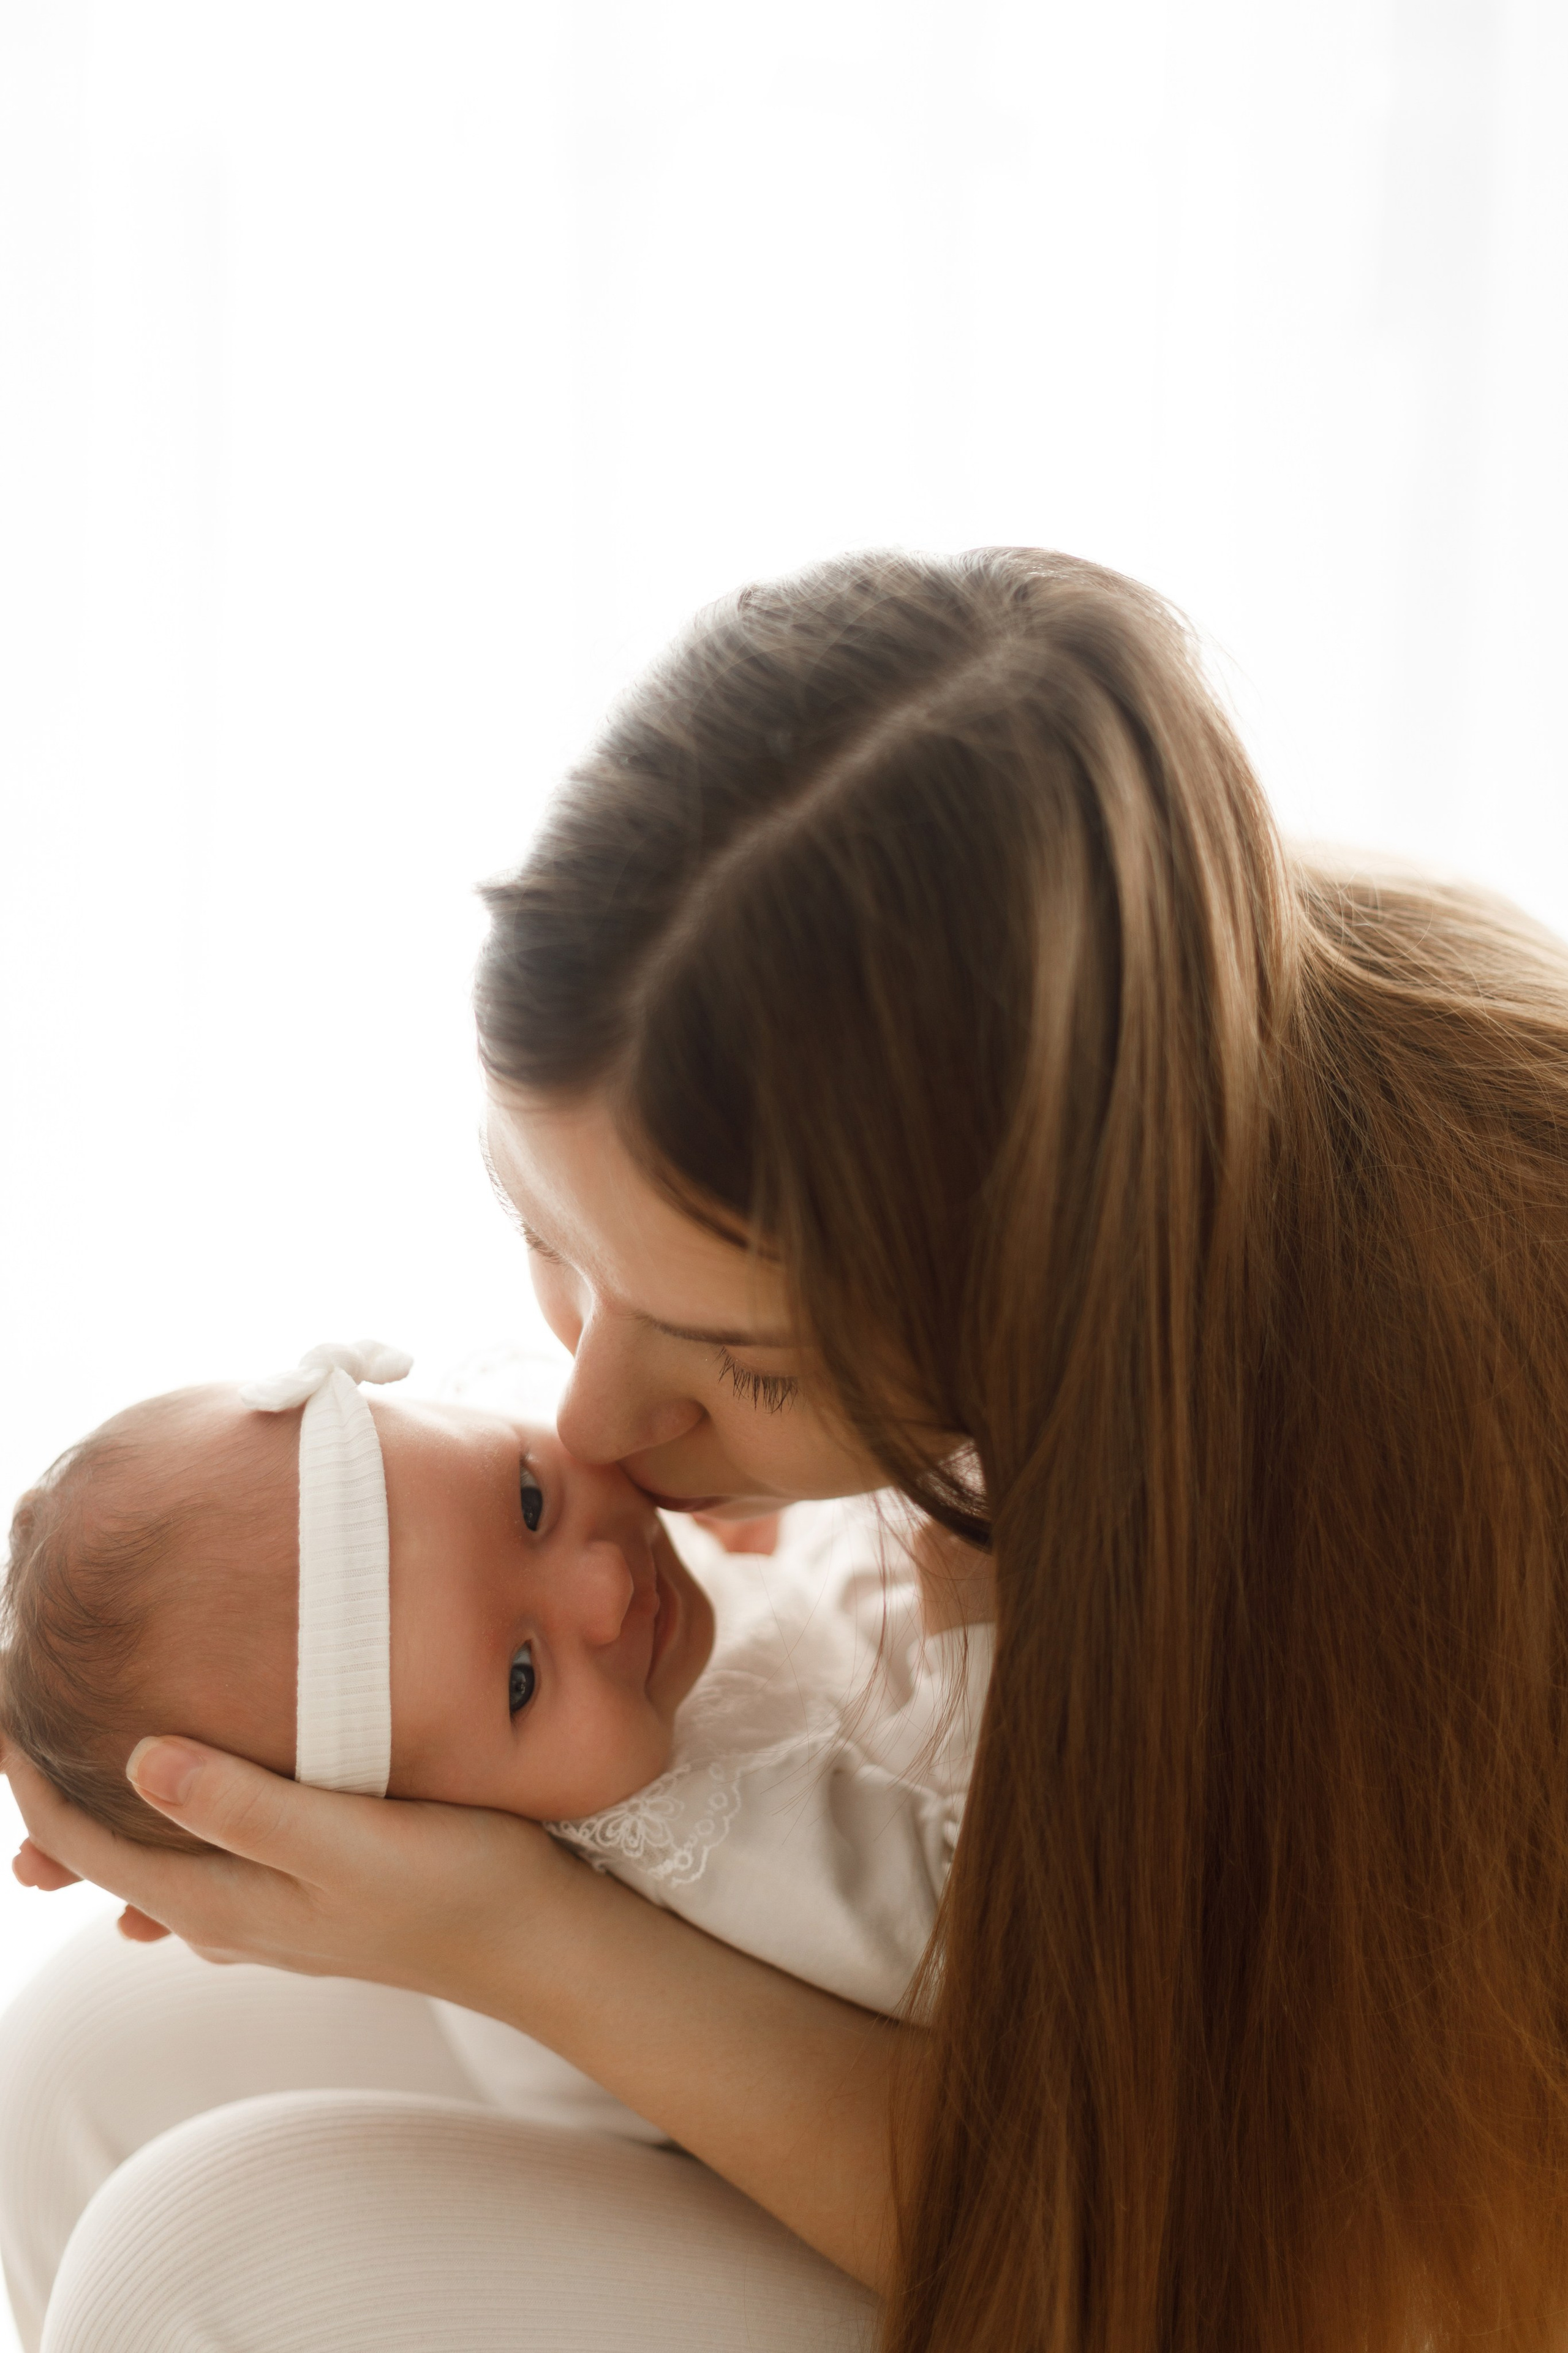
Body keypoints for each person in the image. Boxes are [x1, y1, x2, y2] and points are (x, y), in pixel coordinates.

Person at [6, 545, 1568, 2353]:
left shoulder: (1422, 1493)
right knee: (74, 2065)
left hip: (1228, 2265)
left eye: (742, 1363)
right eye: (554, 1237)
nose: (592, 1424)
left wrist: (520, 1940)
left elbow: (1287, 2283)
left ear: (1040, 1298)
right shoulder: (1081, 1033)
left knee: (204, 2263)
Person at [0, 1344, 985, 2018]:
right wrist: (965, 1618)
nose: (606, 1587)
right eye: (520, 1678)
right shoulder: (706, 1851)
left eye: (526, 1499)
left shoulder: (616, 1707)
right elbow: (970, 1935)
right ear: (427, 1829)